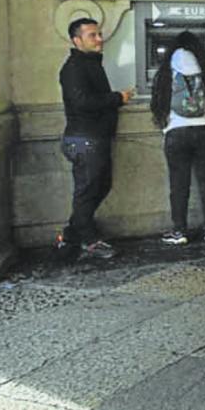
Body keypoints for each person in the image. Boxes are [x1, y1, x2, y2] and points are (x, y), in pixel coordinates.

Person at [57, 18, 134, 259]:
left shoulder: (89, 63)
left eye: (99, 34)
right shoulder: (74, 67)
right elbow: (82, 102)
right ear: (76, 40)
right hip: (85, 139)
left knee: (97, 187)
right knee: (88, 191)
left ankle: (70, 235)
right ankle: (88, 240)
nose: (100, 39)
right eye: (92, 35)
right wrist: (116, 98)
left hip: (91, 138)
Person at [149, 31, 205, 245]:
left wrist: (165, 124)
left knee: (179, 184)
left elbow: (158, 102)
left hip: (176, 131)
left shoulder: (166, 70)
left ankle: (179, 231)